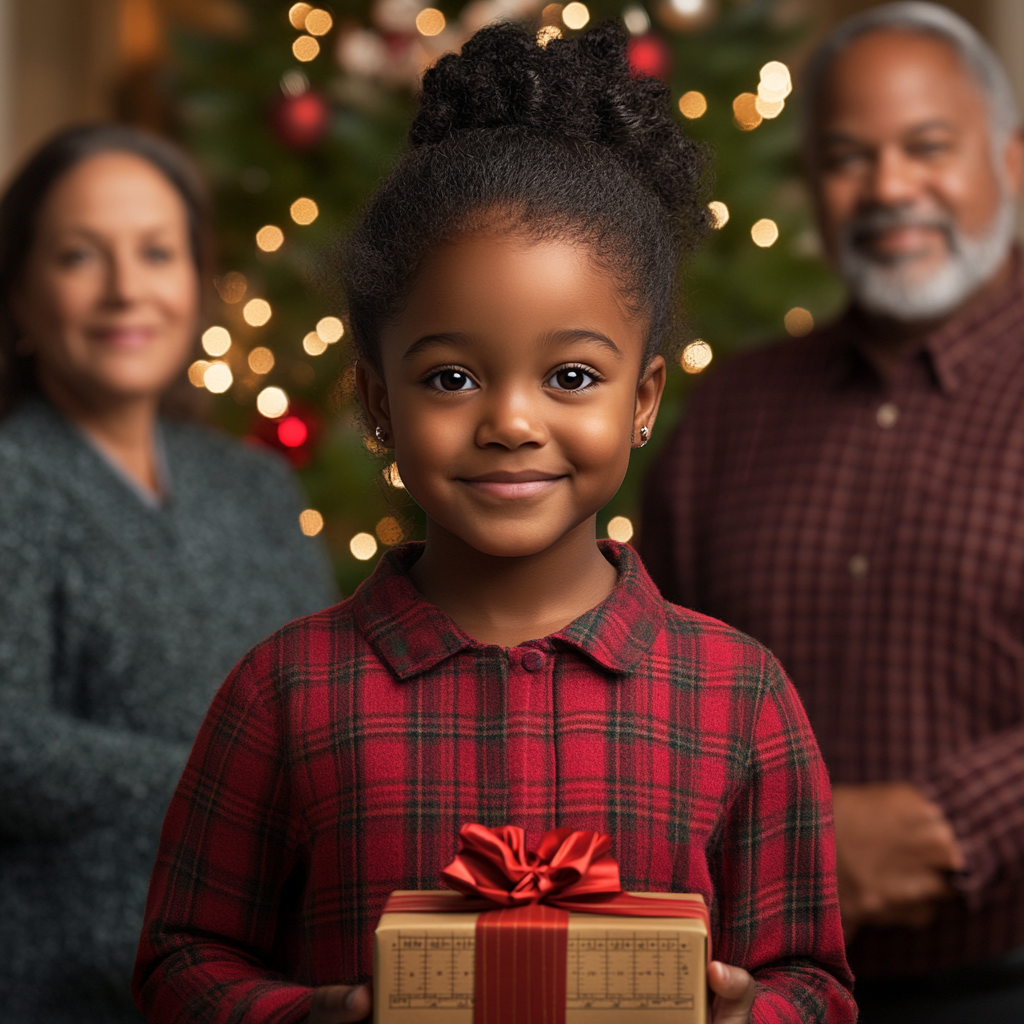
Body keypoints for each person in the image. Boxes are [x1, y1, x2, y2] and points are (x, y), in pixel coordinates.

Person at [133, 21, 855, 1024]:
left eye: (570, 375)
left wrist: (755, 1015)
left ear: (642, 397)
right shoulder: (283, 695)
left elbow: (814, 980)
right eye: (450, 376)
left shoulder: (742, 701)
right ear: (378, 401)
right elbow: (180, 958)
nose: (512, 421)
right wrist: (312, 1014)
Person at [640, 3, 1024, 1021]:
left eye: (927, 148)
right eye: (849, 156)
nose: (889, 187)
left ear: (1013, 162)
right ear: (813, 183)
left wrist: (952, 822)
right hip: (748, 990)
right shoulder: (729, 412)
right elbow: (646, 668)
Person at [0, 124, 338, 1024]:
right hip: (70, 981)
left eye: (156, 252)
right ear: (21, 295)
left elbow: (330, 696)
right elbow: (8, 743)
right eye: (79, 256)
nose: (125, 289)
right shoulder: (11, 476)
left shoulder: (256, 483)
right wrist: (231, 782)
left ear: (195, 283)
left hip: (273, 979)